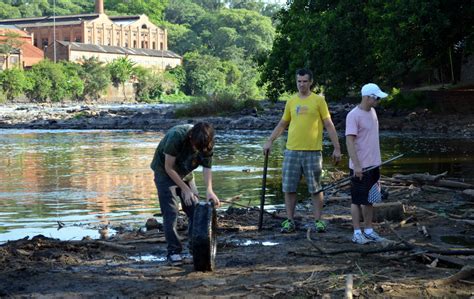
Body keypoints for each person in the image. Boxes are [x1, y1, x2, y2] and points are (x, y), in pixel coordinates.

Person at [263, 68, 341, 233]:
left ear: (310, 82)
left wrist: (337, 147)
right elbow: (283, 124)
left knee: (316, 188)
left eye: (305, 81)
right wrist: (270, 140)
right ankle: (290, 221)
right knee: (289, 187)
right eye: (299, 81)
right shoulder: (291, 101)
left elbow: (328, 124)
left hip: (313, 152)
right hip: (292, 151)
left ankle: (318, 221)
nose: (302, 84)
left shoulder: (318, 101)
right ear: (296, 82)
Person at [151, 122, 220, 265]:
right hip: (164, 172)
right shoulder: (176, 136)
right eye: (196, 147)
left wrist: (209, 190)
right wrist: (185, 189)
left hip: (185, 171)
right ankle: (174, 252)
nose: (198, 150)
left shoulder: (207, 142)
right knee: (171, 212)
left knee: (195, 209)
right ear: (190, 137)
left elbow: (207, 168)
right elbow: (169, 168)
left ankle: (194, 249)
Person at [345, 83, 388, 244]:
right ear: (367, 97)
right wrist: (356, 165)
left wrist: (378, 162)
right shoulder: (353, 115)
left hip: (374, 164)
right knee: (357, 199)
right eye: (376, 97)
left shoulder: (373, 112)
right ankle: (357, 232)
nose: (378, 100)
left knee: (370, 199)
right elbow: (349, 142)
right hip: (360, 166)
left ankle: (369, 229)